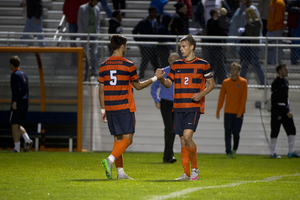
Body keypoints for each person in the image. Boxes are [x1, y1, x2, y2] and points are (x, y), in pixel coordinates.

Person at [99, 34, 165, 179]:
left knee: (118, 140)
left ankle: (120, 173)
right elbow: (138, 86)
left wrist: (103, 109)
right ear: (123, 46)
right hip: (124, 106)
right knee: (128, 138)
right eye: (126, 46)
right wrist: (156, 78)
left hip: (110, 107)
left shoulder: (103, 65)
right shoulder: (128, 65)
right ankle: (110, 160)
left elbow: (101, 90)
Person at [156, 34, 215, 180]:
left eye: (184, 46)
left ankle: (195, 169)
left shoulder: (203, 64)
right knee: (182, 140)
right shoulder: (176, 65)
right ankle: (186, 173)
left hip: (193, 107)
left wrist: (201, 94)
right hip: (178, 107)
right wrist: (161, 78)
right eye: (180, 47)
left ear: (192, 47)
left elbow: (212, 84)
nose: (181, 49)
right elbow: (168, 84)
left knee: (187, 137)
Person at [150, 52, 180, 163]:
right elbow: (153, 88)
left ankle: (169, 154)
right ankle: (167, 156)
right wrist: (157, 100)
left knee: (174, 129)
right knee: (169, 128)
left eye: (174, 60)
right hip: (166, 103)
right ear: (168, 60)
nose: (172, 62)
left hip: (177, 103)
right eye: (170, 60)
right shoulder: (163, 72)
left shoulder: (181, 71)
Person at [216, 62, 247, 158]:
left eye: (234, 69)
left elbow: (243, 98)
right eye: (231, 68)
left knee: (236, 133)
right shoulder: (226, 82)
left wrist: (240, 112)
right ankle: (228, 152)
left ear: (238, 71)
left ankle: (234, 149)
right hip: (228, 111)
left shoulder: (243, 82)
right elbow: (221, 97)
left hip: (238, 113)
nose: (232, 70)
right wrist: (218, 110)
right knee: (227, 132)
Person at [270, 64, 300, 158]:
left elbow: (285, 98)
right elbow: (277, 99)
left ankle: (291, 152)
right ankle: (272, 152)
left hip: (285, 110)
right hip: (277, 111)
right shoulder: (276, 83)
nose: (287, 71)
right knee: (275, 131)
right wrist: (287, 110)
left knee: (292, 129)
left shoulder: (286, 82)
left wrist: (288, 108)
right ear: (280, 71)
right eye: (285, 69)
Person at [9, 55, 33, 153]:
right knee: (17, 123)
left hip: (18, 102)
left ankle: (17, 147)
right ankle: (27, 140)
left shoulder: (15, 74)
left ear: (11, 64)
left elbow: (17, 89)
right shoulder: (24, 74)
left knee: (14, 124)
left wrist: (14, 101)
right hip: (25, 101)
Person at [239, 8, 266, 85]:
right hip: (250, 47)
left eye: (246, 14)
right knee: (244, 65)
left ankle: (264, 83)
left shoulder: (253, 23)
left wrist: (244, 30)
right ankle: (240, 82)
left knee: (255, 65)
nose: (245, 16)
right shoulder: (255, 23)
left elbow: (248, 34)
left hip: (252, 47)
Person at [132, 7, 159, 79]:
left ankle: (158, 77)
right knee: (144, 62)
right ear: (150, 13)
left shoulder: (156, 22)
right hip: (146, 46)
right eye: (154, 12)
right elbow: (134, 31)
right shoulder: (143, 22)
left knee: (155, 63)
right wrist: (139, 42)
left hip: (153, 46)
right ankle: (140, 77)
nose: (156, 14)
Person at [205, 9, 229, 84]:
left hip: (218, 45)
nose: (219, 15)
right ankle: (212, 81)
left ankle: (223, 80)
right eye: (217, 13)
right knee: (215, 64)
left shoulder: (217, 22)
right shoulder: (212, 22)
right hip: (214, 46)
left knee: (220, 63)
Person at [77, 0, 100, 77]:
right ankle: (86, 71)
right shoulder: (82, 8)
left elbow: (98, 22)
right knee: (86, 54)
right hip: (85, 34)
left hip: (94, 34)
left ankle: (93, 70)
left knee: (94, 53)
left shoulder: (97, 9)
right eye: (95, 2)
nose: (96, 4)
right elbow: (79, 21)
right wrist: (82, 33)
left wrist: (97, 33)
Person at [266, 0, 286, 64]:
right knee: (269, 46)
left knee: (276, 46)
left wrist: (271, 24)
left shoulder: (279, 2)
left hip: (277, 28)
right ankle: (270, 60)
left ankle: (276, 61)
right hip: (271, 28)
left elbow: (279, 17)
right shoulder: (272, 2)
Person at [286, 0, 300, 65]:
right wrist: (298, 10)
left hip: (296, 25)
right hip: (295, 25)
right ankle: (294, 60)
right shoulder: (294, 2)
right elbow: (288, 7)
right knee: (295, 43)